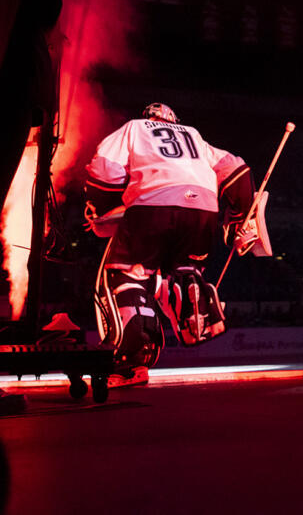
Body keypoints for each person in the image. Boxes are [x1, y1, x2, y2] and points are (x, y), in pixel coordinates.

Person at [85, 103, 260, 384]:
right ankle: (183, 287)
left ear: (148, 117)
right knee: (179, 269)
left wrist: (100, 206)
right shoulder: (194, 135)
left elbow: (105, 172)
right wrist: (240, 218)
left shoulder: (134, 127)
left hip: (153, 206)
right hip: (203, 212)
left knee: (128, 277)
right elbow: (237, 170)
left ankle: (132, 360)